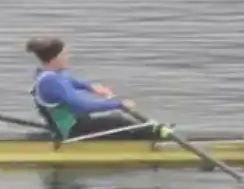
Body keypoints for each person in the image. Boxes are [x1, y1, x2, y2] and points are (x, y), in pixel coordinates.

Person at [27, 36, 163, 141]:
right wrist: (118, 104)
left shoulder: (48, 74)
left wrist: (92, 88)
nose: (68, 57)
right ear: (54, 58)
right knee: (121, 122)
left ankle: (155, 133)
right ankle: (156, 141)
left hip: (77, 123)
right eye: (64, 54)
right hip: (73, 131)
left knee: (117, 119)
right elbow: (82, 106)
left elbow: (73, 81)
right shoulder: (51, 81)